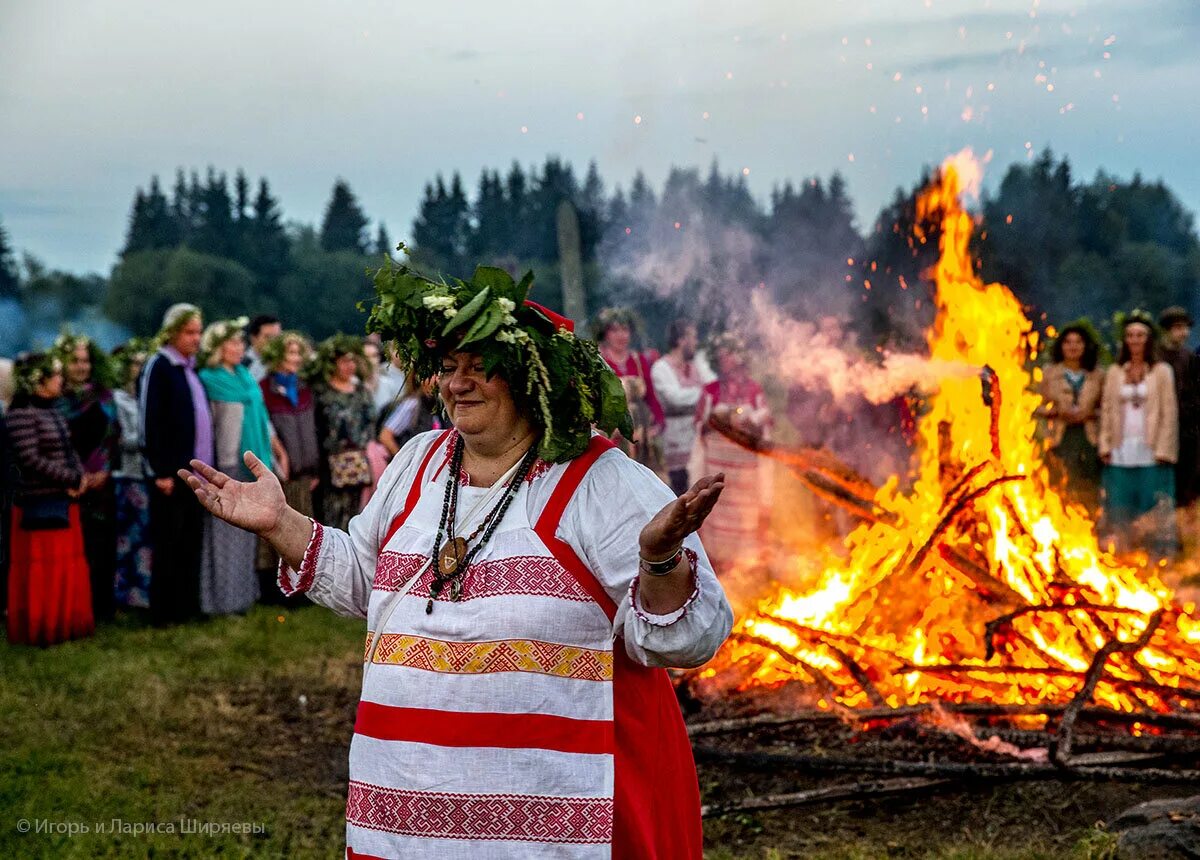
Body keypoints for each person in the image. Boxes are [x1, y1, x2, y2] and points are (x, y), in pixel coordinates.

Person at [181, 264, 732, 858]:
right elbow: (369, 580)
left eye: (480, 367)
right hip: (405, 810)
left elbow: (692, 639)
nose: (457, 383)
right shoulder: (419, 462)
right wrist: (282, 523)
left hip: (558, 821)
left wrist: (658, 562)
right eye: (448, 368)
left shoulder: (603, 482)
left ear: (531, 377)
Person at [6, 352, 93, 645]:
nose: (60, 380)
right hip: (38, 503)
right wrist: (69, 479)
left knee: (66, 565)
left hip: (63, 500)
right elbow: (30, 458)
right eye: (55, 375)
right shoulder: (20, 415)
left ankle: (67, 622)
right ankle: (42, 627)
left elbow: (69, 450)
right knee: (42, 570)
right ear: (38, 381)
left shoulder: (54, 411)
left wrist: (80, 476)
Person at [197, 317, 283, 615]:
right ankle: (221, 600)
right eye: (232, 342)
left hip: (251, 459)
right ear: (218, 347)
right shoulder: (209, 379)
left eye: (240, 342)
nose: (239, 347)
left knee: (246, 532)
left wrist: (273, 449)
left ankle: (243, 595)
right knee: (224, 533)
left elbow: (260, 417)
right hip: (228, 461)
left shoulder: (245, 376)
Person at [140, 303, 212, 625]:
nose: (196, 338)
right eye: (189, 332)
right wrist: (160, 470)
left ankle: (187, 606)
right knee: (168, 542)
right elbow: (150, 420)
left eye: (199, 332)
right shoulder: (161, 366)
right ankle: (164, 611)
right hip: (171, 473)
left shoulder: (190, 368)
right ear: (172, 333)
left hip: (195, 473)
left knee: (189, 541)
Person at [1099, 311, 1179, 558]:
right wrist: (1104, 445)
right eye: (1130, 335)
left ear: (1149, 339)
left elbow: (1169, 411)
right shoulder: (1115, 372)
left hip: (1151, 448)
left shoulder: (1161, 371)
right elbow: (1107, 409)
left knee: (1153, 504)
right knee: (1120, 506)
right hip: (1121, 448)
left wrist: (1165, 449)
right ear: (1125, 340)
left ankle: (1157, 557)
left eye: (1140, 335)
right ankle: (1122, 555)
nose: (1135, 340)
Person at [54, 332, 120, 622]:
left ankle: (102, 608)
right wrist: (73, 476)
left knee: (101, 546)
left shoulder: (104, 397)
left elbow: (113, 438)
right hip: (66, 484)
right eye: (75, 361)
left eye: (86, 361)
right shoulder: (54, 399)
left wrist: (103, 472)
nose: (81, 367)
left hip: (102, 482)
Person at [694, 332, 772, 573]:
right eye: (723, 355)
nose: (728, 360)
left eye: (731, 355)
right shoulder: (711, 390)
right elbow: (699, 425)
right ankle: (719, 566)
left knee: (746, 515)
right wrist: (717, 419)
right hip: (719, 465)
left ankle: (747, 568)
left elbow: (766, 421)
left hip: (745, 469)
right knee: (717, 510)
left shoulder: (753, 389)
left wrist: (750, 420)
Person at [258, 331, 321, 599]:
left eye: (298, 352)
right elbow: (265, 428)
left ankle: (300, 586)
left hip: (306, 469)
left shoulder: (305, 387)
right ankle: (274, 589)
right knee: (276, 530)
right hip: (281, 470)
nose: (295, 358)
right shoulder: (264, 388)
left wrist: (316, 467)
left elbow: (313, 428)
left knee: (301, 531)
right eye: (289, 353)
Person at [309, 334, 377, 531]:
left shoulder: (361, 391)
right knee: (330, 516)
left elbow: (370, 424)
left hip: (357, 462)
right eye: (344, 361)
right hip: (329, 464)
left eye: (352, 361)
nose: (350, 366)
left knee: (355, 515)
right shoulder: (321, 392)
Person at [1039, 324, 1105, 512]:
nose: (1073, 346)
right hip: (1060, 437)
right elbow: (1036, 405)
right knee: (1060, 486)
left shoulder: (1098, 374)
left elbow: (1108, 409)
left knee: (1089, 487)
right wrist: (1057, 412)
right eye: (1068, 342)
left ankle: (1089, 528)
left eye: (1078, 342)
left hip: (1089, 438)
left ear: (1086, 346)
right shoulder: (1049, 373)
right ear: (1061, 346)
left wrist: (1089, 414)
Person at [595, 306, 666, 472]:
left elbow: (651, 397)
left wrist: (659, 423)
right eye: (615, 330)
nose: (621, 335)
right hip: (613, 437)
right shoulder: (598, 361)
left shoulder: (638, 360)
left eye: (625, 330)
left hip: (642, 436)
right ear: (605, 333)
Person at [111, 339, 153, 609]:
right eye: (135, 364)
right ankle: (123, 594)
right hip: (127, 472)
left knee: (144, 536)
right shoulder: (118, 398)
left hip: (144, 471)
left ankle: (142, 593)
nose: (139, 368)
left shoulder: (143, 396)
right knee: (127, 537)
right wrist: (148, 437)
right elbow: (119, 438)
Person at [652, 318, 714, 495]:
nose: (696, 342)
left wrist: (706, 391)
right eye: (692, 337)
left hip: (698, 443)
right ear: (681, 340)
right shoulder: (661, 367)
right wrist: (703, 394)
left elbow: (712, 387)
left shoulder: (696, 364)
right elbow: (675, 397)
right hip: (676, 442)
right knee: (681, 493)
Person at [1158, 307, 1200, 511]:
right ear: (1167, 330)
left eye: (1185, 328)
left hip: (1187, 428)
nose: (1183, 333)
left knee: (1187, 480)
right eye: (1177, 328)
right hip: (1160, 427)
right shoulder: (1156, 357)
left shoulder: (1189, 356)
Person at [378, 373, 440, 458]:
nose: (436, 380)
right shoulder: (412, 405)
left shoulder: (439, 405)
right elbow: (386, 436)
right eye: (432, 376)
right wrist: (404, 461)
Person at [243, 314, 282, 382]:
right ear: (253, 338)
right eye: (268, 337)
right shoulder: (243, 364)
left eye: (277, 338)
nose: (273, 342)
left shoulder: (285, 363)